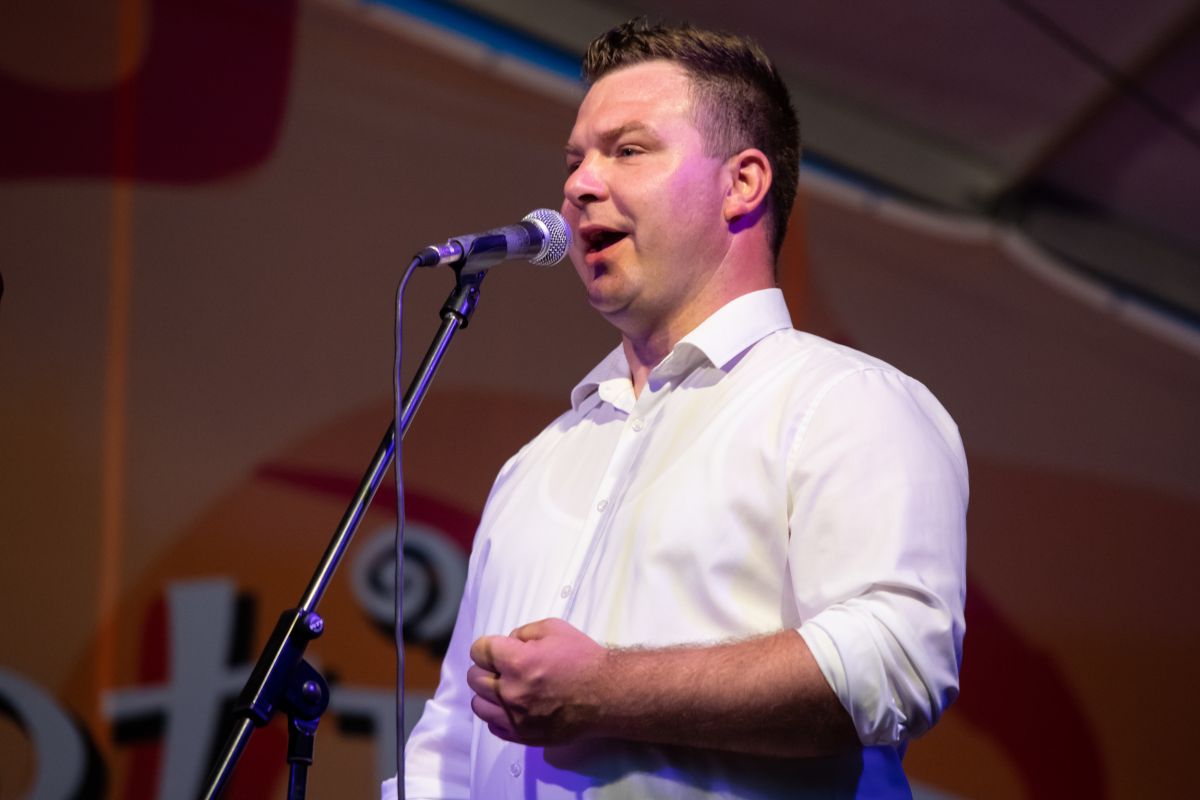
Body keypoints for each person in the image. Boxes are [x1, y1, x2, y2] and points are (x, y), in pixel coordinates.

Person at [388, 17, 967, 800]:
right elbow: (452, 745)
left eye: (627, 150)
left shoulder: (846, 403)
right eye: (574, 161)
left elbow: (898, 659)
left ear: (743, 183)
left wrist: (606, 689)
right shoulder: (538, 462)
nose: (579, 185)